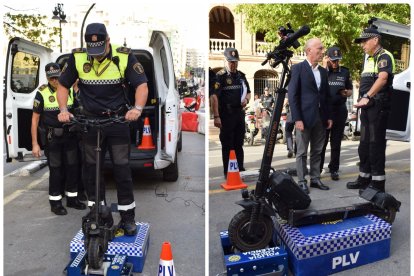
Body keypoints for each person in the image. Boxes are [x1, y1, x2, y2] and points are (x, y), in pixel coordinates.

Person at [57, 23, 148, 235]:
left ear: (108, 41)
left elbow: (141, 85)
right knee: (91, 170)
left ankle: (127, 217)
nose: (96, 55)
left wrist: (137, 108)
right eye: (92, 51)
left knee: (122, 169)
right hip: (89, 123)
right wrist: (63, 109)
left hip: (116, 121)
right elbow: (63, 85)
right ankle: (99, 213)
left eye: (101, 49)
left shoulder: (124, 56)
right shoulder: (78, 57)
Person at [31, 63, 86, 215]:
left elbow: (79, 107)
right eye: (52, 78)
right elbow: (34, 120)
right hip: (53, 138)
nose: (55, 81)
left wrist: (75, 89)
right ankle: (55, 202)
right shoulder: (41, 93)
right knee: (56, 170)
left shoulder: (67, 89)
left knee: (73, 167)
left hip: (70, 135)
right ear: (47, 78)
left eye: (57, 77)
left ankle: (72, 199)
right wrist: (35, 144)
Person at [347, 26, 395, 192]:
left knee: (375, 144)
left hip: (378, 107)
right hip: (368, 108)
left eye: (365, 41)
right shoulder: (369, 59)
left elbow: (382, 79)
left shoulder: (384, 56)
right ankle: (364, 178)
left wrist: (367, 96)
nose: (362, 45)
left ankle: (377, 183)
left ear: (375, 40)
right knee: (364, 145)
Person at [288, 38, 332, 194]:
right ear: (309, 51)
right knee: (301, 152)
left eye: (322, 48)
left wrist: (329, 116)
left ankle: (315, 178)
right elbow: (292, 95)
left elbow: (326, 96)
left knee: (318, 150)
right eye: (319, 48)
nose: (322, 51)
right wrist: (297, 119)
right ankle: (301, 181)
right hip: (304, 119)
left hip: (320, 118)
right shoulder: (298, 68)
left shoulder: (323, 71)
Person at [212, 47, 251, 176]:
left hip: (239, 113)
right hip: (226, 115)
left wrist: (246, 99)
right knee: (228, 144)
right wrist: (216, 116)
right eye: (231, 62)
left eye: (235, 61)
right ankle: (228, 171)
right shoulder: (220, 77)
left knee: (239, 142)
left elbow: (249, 93)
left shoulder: (241, 76)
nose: (233, 64)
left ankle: (239, 168)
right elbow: (214, 97)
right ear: (225, 61)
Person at [320, 46, 353, 181]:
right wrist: (323, 66)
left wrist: (347, 93)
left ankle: (334, 169)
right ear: (327, 58)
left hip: (340, 110)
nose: (335, 63)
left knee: (336, 142)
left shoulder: (344, 72)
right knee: (321, 142)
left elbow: (350, 89)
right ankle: (318, 168)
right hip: (325, 111)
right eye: (333, 60)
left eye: (337, 60)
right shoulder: (322, 72)